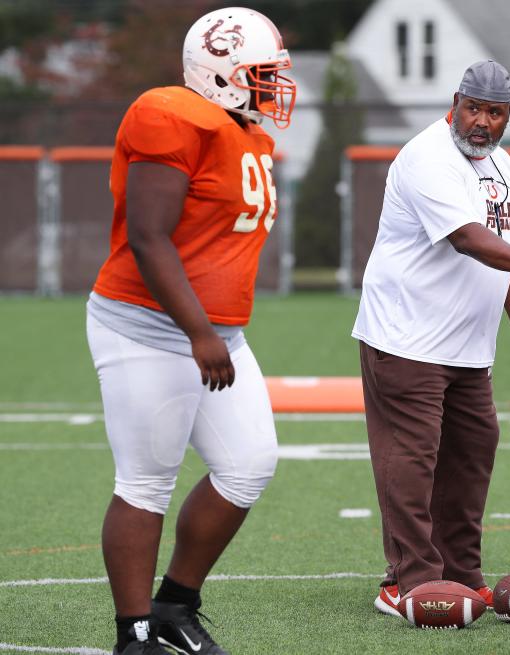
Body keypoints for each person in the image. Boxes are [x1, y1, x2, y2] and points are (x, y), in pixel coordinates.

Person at [85, 7, 295, 655]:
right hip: (147, 326)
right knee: (145, 479)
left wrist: (213, 330)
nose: (273, 87)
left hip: (217, 333)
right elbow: (148, 237)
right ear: (222, 75)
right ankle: (135, 632)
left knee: (248, 464)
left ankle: (175, 603)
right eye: (261, 75)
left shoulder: (249, 134)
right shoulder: (171, 114)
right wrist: (199, 329)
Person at [351, 60, 510, 617]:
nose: (482, 122)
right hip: (406, 336)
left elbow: (505, 254)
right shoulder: (426, 156)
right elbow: (466, 238)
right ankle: (407, 580)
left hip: (467, 346)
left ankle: (459, 573)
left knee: (473, 452)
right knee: (412, 457)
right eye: (474, 108)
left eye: (495, 112)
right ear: (455, 102)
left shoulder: (505, 167)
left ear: (508, 115)